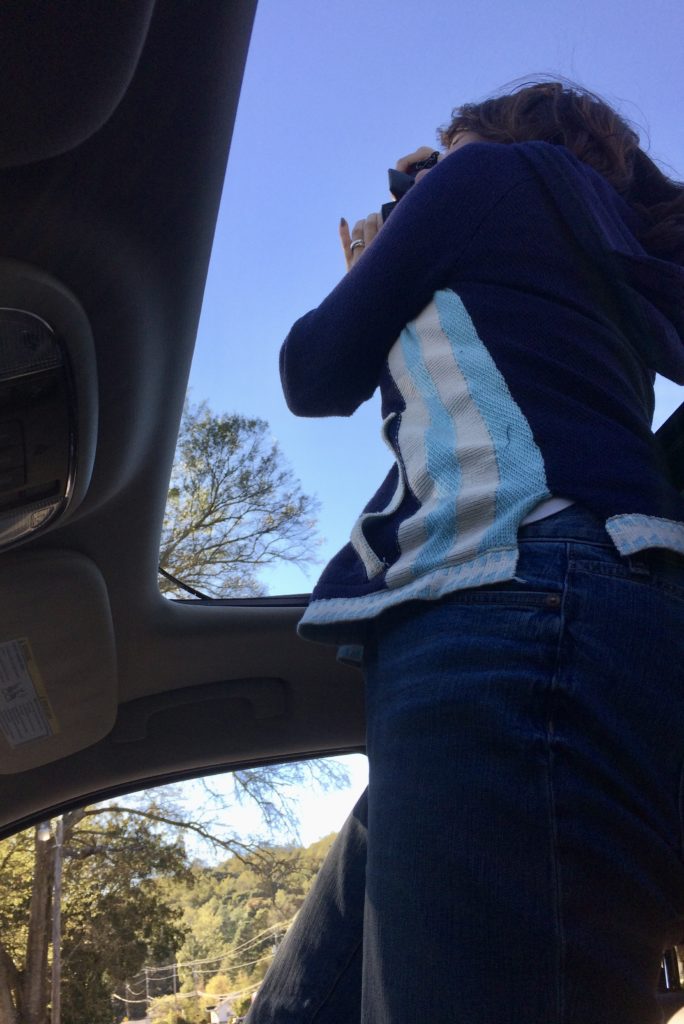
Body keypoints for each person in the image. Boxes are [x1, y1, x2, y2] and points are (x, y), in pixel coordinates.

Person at [247, 80, 684, 1023]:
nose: (427, 167)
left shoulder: (488, 176)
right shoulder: (611, 245)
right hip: (596, 607)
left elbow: (312, 371)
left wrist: (379, 251)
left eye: (440, 150)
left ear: (488, 135)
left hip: (509, 595)